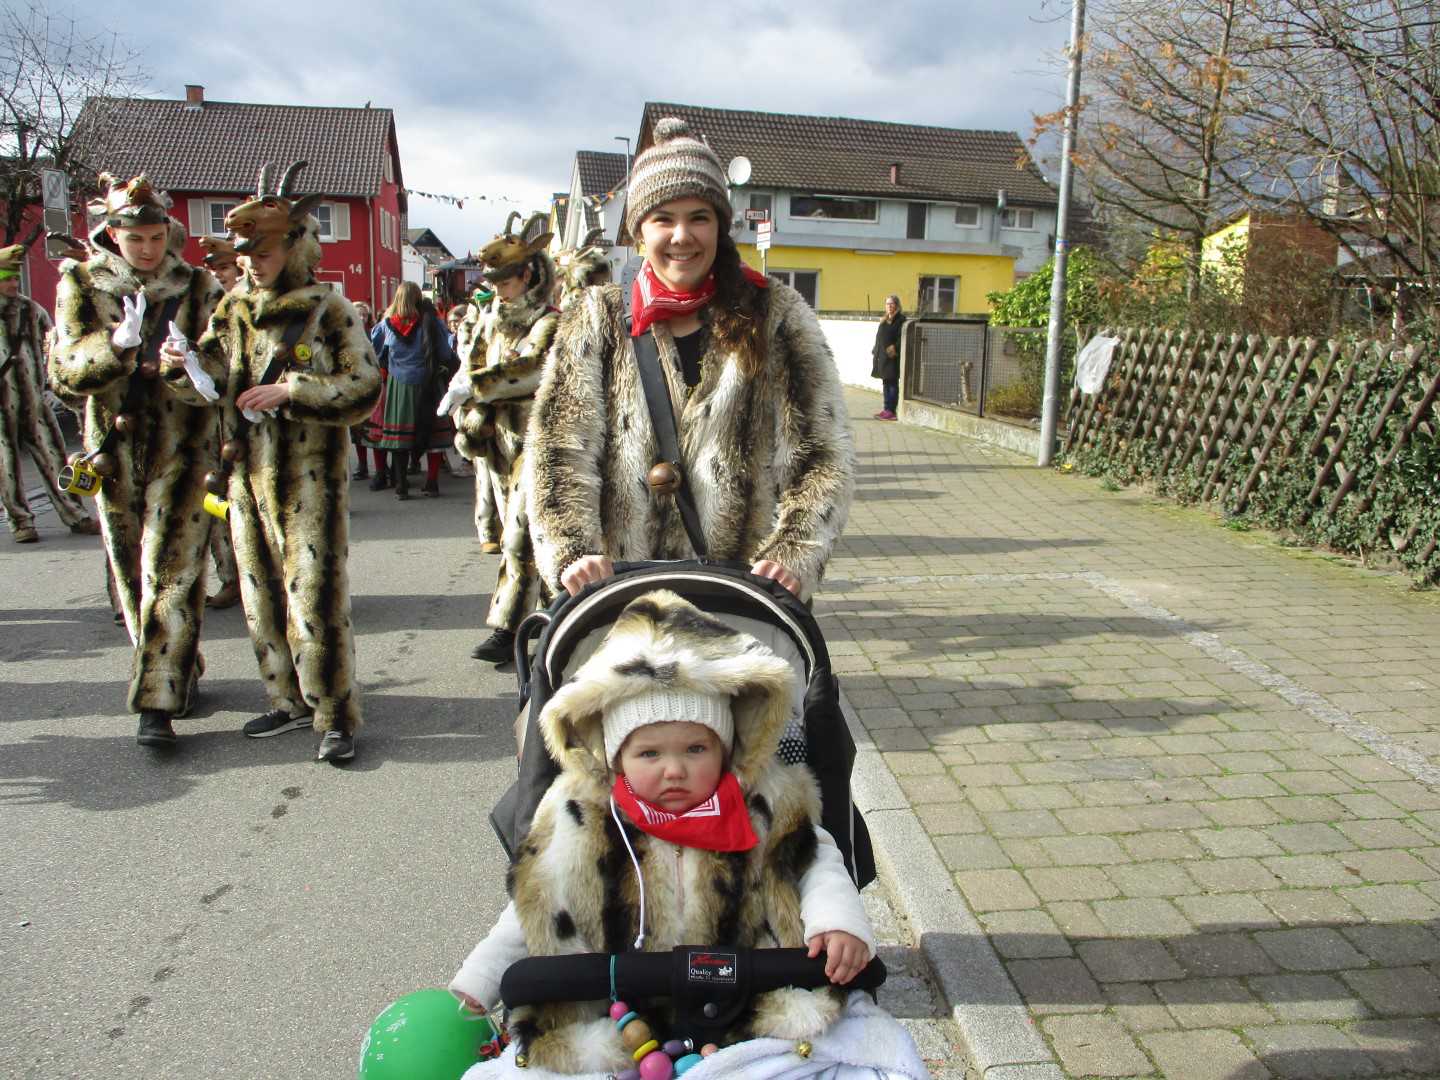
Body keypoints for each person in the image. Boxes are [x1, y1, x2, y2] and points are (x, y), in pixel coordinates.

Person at [448, 590, 924, 1076]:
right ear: (615, 757)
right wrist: (483, 976)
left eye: (696, 749)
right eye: (649, 754)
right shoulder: (583, 814)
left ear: (726, 748)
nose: (674, 769)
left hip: (751, 1005)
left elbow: (815, 863)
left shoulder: (763, 801)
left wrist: (837, 922)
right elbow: (536, 900)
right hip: (616, 1016)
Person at [527, 118, 856, 604]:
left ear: (720, 226)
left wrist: (793, 554)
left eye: (699, 217)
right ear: (639, 231)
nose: (682, 235)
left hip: (742, 597)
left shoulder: (775, 315)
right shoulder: (596, 317)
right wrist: (572, 551)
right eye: (663, 218)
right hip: (622, 596)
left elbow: (821, 457)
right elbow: (559, 451)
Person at [160, 161, 380, 763]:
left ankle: (334, 714)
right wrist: (183, 366)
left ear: (294, 248)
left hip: (309, 480)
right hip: (243, 474)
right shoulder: (233, 308)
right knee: (259, 596)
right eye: (247, 255)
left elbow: (363, 387)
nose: (253, 264)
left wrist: (293, 391)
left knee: (315, 596)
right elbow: (210, 377)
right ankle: (286, 700)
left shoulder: (330, 308)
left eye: (264, 253)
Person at [50, 174, 225, 748]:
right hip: (113, 452)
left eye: (156, 237)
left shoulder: (198, 286)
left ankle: (156, 703)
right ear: (113, 234)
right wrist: (115, 347)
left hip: (184, 449)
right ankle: (177, 667)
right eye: (135, 239)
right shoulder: (82, 283)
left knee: (172, 571)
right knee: (131, 575)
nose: (148, 249)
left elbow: (222, 368)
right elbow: (64, 376)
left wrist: (188, 363)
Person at [448, 214, 558, 663]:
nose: (499, 291)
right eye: (494, 283)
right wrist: (467, 403)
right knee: (527, 538)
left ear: (527, 275)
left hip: (540, 440)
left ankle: (513, 627)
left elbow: (532, 369)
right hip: (498, 442)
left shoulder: (549, 320)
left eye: (506, 282)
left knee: (521, 536)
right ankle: (548, 623)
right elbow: (472, 362)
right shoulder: (491, 320)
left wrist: (477, 386)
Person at [0, 242, 99, 543]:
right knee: (6, 465)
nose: (13, 284)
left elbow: (55, 346)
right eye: (6, 279)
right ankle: (21, 521)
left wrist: (55, 383)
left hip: (34, 398)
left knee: (54, 455)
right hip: (1, 403)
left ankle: (75, 514)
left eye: (15, 278)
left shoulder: (32, 311)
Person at [367, 282, 458, 499]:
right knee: (433, 435)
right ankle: (432, 482)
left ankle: (401, 486)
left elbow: (376, 353)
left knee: (399, 438)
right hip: (429, 382)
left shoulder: (386, 325)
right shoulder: (433, 323)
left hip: (399, 386)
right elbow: (445, 353)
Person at [195, 237, 243, 608]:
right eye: (213, 270)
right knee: (215, 504)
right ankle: (230, 576)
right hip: (208, 425)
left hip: (247, 423)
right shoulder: (202, 308)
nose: (218, 276)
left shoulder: (246, 304)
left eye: (224, 268)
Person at [350, 301, 378, 481]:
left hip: (371, 385)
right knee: (357, 429)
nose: (361, 318)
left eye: (364, 315)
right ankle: (362, 465)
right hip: (353, 386)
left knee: (373, 429)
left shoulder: (373, 333)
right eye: (358, 314)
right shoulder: (345, 334)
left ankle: (380, 467)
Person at [871, 295, 904, 421]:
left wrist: (894, 349)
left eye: (892, 303)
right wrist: (875, 349)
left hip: (892, 357)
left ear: (897, 305)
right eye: (887, 304)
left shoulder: (900, 320)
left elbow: (901, 338)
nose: (889, 306)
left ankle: (891, 411)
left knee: (892, 383)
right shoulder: (884, 320)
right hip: (882, 357)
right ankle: (886, 409)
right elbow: (879, 337)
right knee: (885, 383)